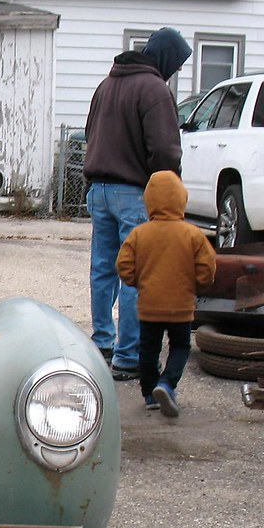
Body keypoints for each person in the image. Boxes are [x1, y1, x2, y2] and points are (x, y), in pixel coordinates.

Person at [83, 27, 191, 381]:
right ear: (165, 58)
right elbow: (164, 149)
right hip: (134, 193)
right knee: (136, 274)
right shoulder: (154, 88)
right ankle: (128, 358)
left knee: (104, 270)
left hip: (99, 189)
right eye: (176, 64)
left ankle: (102, 345)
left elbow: (89, 135)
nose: (174, 71)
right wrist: (167, 189)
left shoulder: (106, 85)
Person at [115, 170, 216, 417]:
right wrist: (197, 287)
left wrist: (139, 283)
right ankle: (167, 383)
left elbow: (123, 264)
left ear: (149, 200)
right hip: (181, 305)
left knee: (148, 349)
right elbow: (207, 267)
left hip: (149, 304)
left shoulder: (140, 233)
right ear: (182, 198)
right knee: (180, 346)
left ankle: (150, 393)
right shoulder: (193, 234)